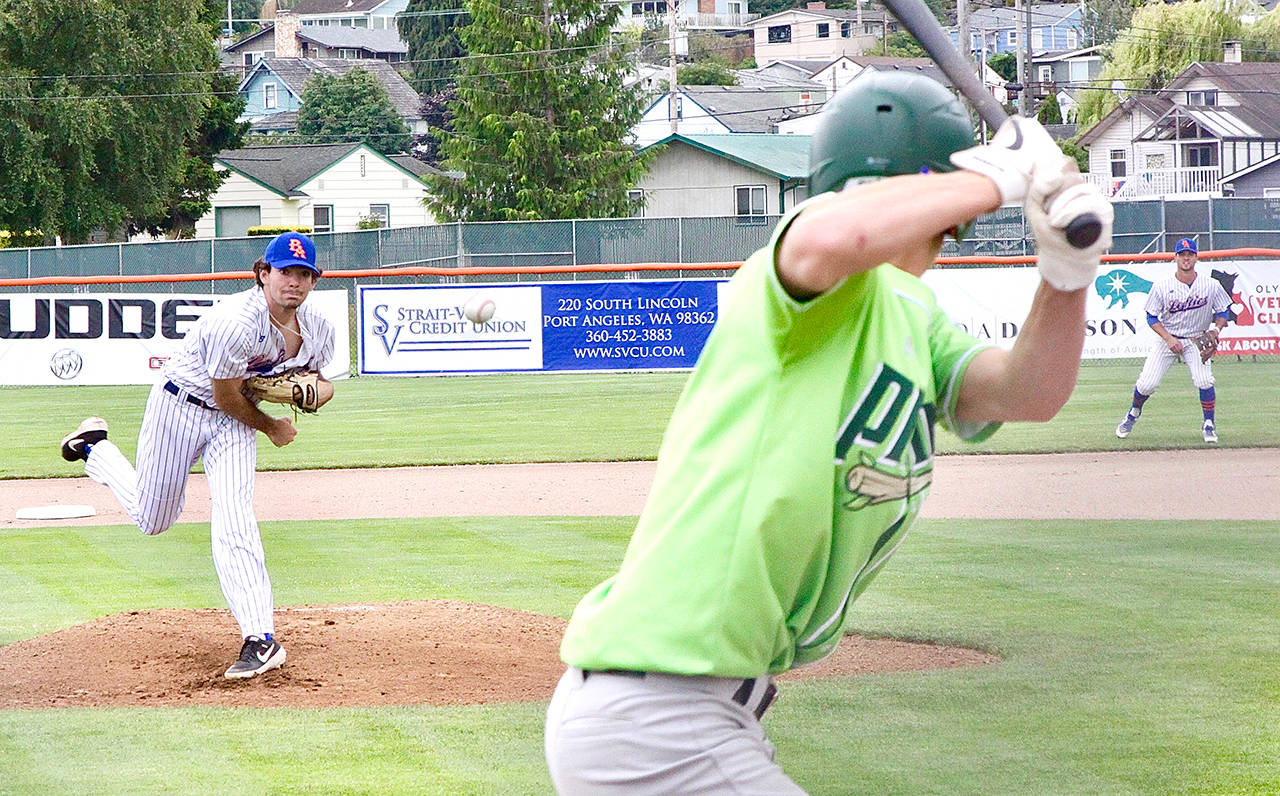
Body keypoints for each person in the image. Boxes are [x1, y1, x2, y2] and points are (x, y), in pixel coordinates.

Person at [543, 72, 1114, 794]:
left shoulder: (914, 318)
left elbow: (1028, 392)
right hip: (658, 719)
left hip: (685, 717)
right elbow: (837, 235)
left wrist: (1067, 271)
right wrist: (1001, 174)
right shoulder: (796, 283)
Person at [59, 231, 336, 679]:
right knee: (153, 519)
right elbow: (226, 396)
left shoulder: (319, 325)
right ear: (263, 275)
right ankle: (96, 447)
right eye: (286, 272)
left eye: (305, 274)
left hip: (233, 421)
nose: (296, 283)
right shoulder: (235, 322)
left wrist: (312, 393)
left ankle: (260, 638)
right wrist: (272, 427)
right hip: (182, 405)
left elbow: (323, 383)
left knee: (234, 514)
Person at [1114, 237, 1230, 444]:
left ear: (1196, 258)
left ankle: (1209, 424)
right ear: (1175, 258)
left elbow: (1223, 310)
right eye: (1182, 255)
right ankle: (1133, 412)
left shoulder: (1211, 285)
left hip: (1197, 339)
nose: (1186, 258)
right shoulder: (1162, 286)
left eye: (1190, 255)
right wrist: (1168, 339)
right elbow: (1151, 317)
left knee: (1204, 381)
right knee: (1147, 384)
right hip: (1168, 339)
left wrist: (1216, 330)